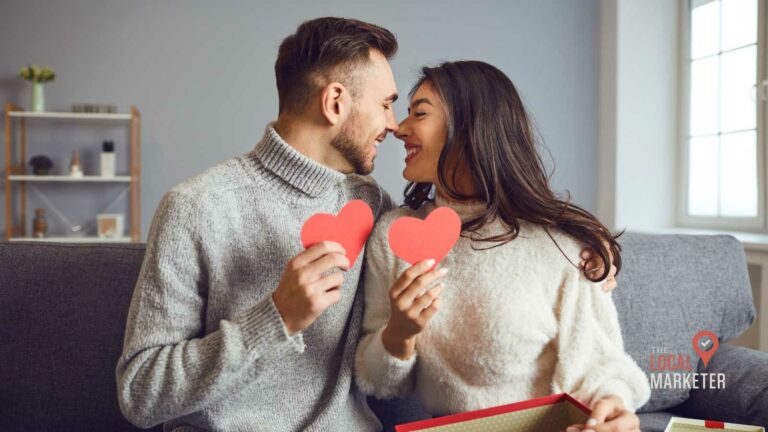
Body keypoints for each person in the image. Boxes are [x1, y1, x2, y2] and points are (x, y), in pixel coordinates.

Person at [116, 17, 399, 431]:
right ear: (335, 102)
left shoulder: (371, 205)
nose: (393, 123)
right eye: (386, 104)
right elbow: (140, 392)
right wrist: (276, 318)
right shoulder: (196, 207)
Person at [355, 61, 650, 432]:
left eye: (420, 113)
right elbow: (381, 382)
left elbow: (601, 365)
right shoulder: (395, 234)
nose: (399, 127)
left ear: (469, 127)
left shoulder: (563, 245)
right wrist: (399, 332)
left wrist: (613, 407)